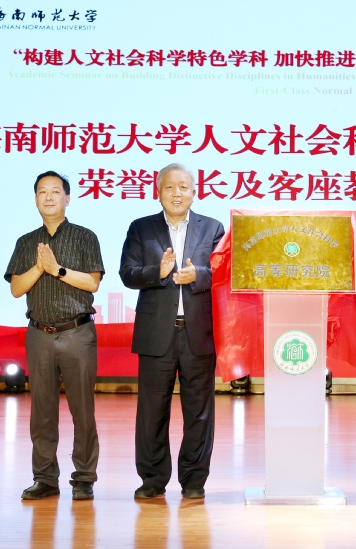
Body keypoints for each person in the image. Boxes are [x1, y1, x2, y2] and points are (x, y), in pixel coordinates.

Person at [119, 163, 225, 500]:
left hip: (198, 333)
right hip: (156, 334)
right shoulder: (141, 228)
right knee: (152, 411)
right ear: (158, 192)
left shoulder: (213, 228)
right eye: (169, 187)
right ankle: (152, 479)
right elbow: (127, 273)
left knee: (199, 412)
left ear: (194, 192)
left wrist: (199, 275)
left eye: (183, 187)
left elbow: (225, 272)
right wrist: (158, 271)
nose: (176, 193)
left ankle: (194, 480)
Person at [5, 171, 104, 501]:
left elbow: (92, 282)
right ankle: (45, 478)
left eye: (55, 191)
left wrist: (57, 269)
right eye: (42, 192)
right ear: (35, 199)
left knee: (82, 410)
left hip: (77, 332)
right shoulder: (26, 242)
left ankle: (84, 477)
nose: (49, 197)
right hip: (39, 334)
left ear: (67, 198)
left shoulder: (85, 237)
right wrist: (39, 267)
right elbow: (16, 289)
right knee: (42, 411)